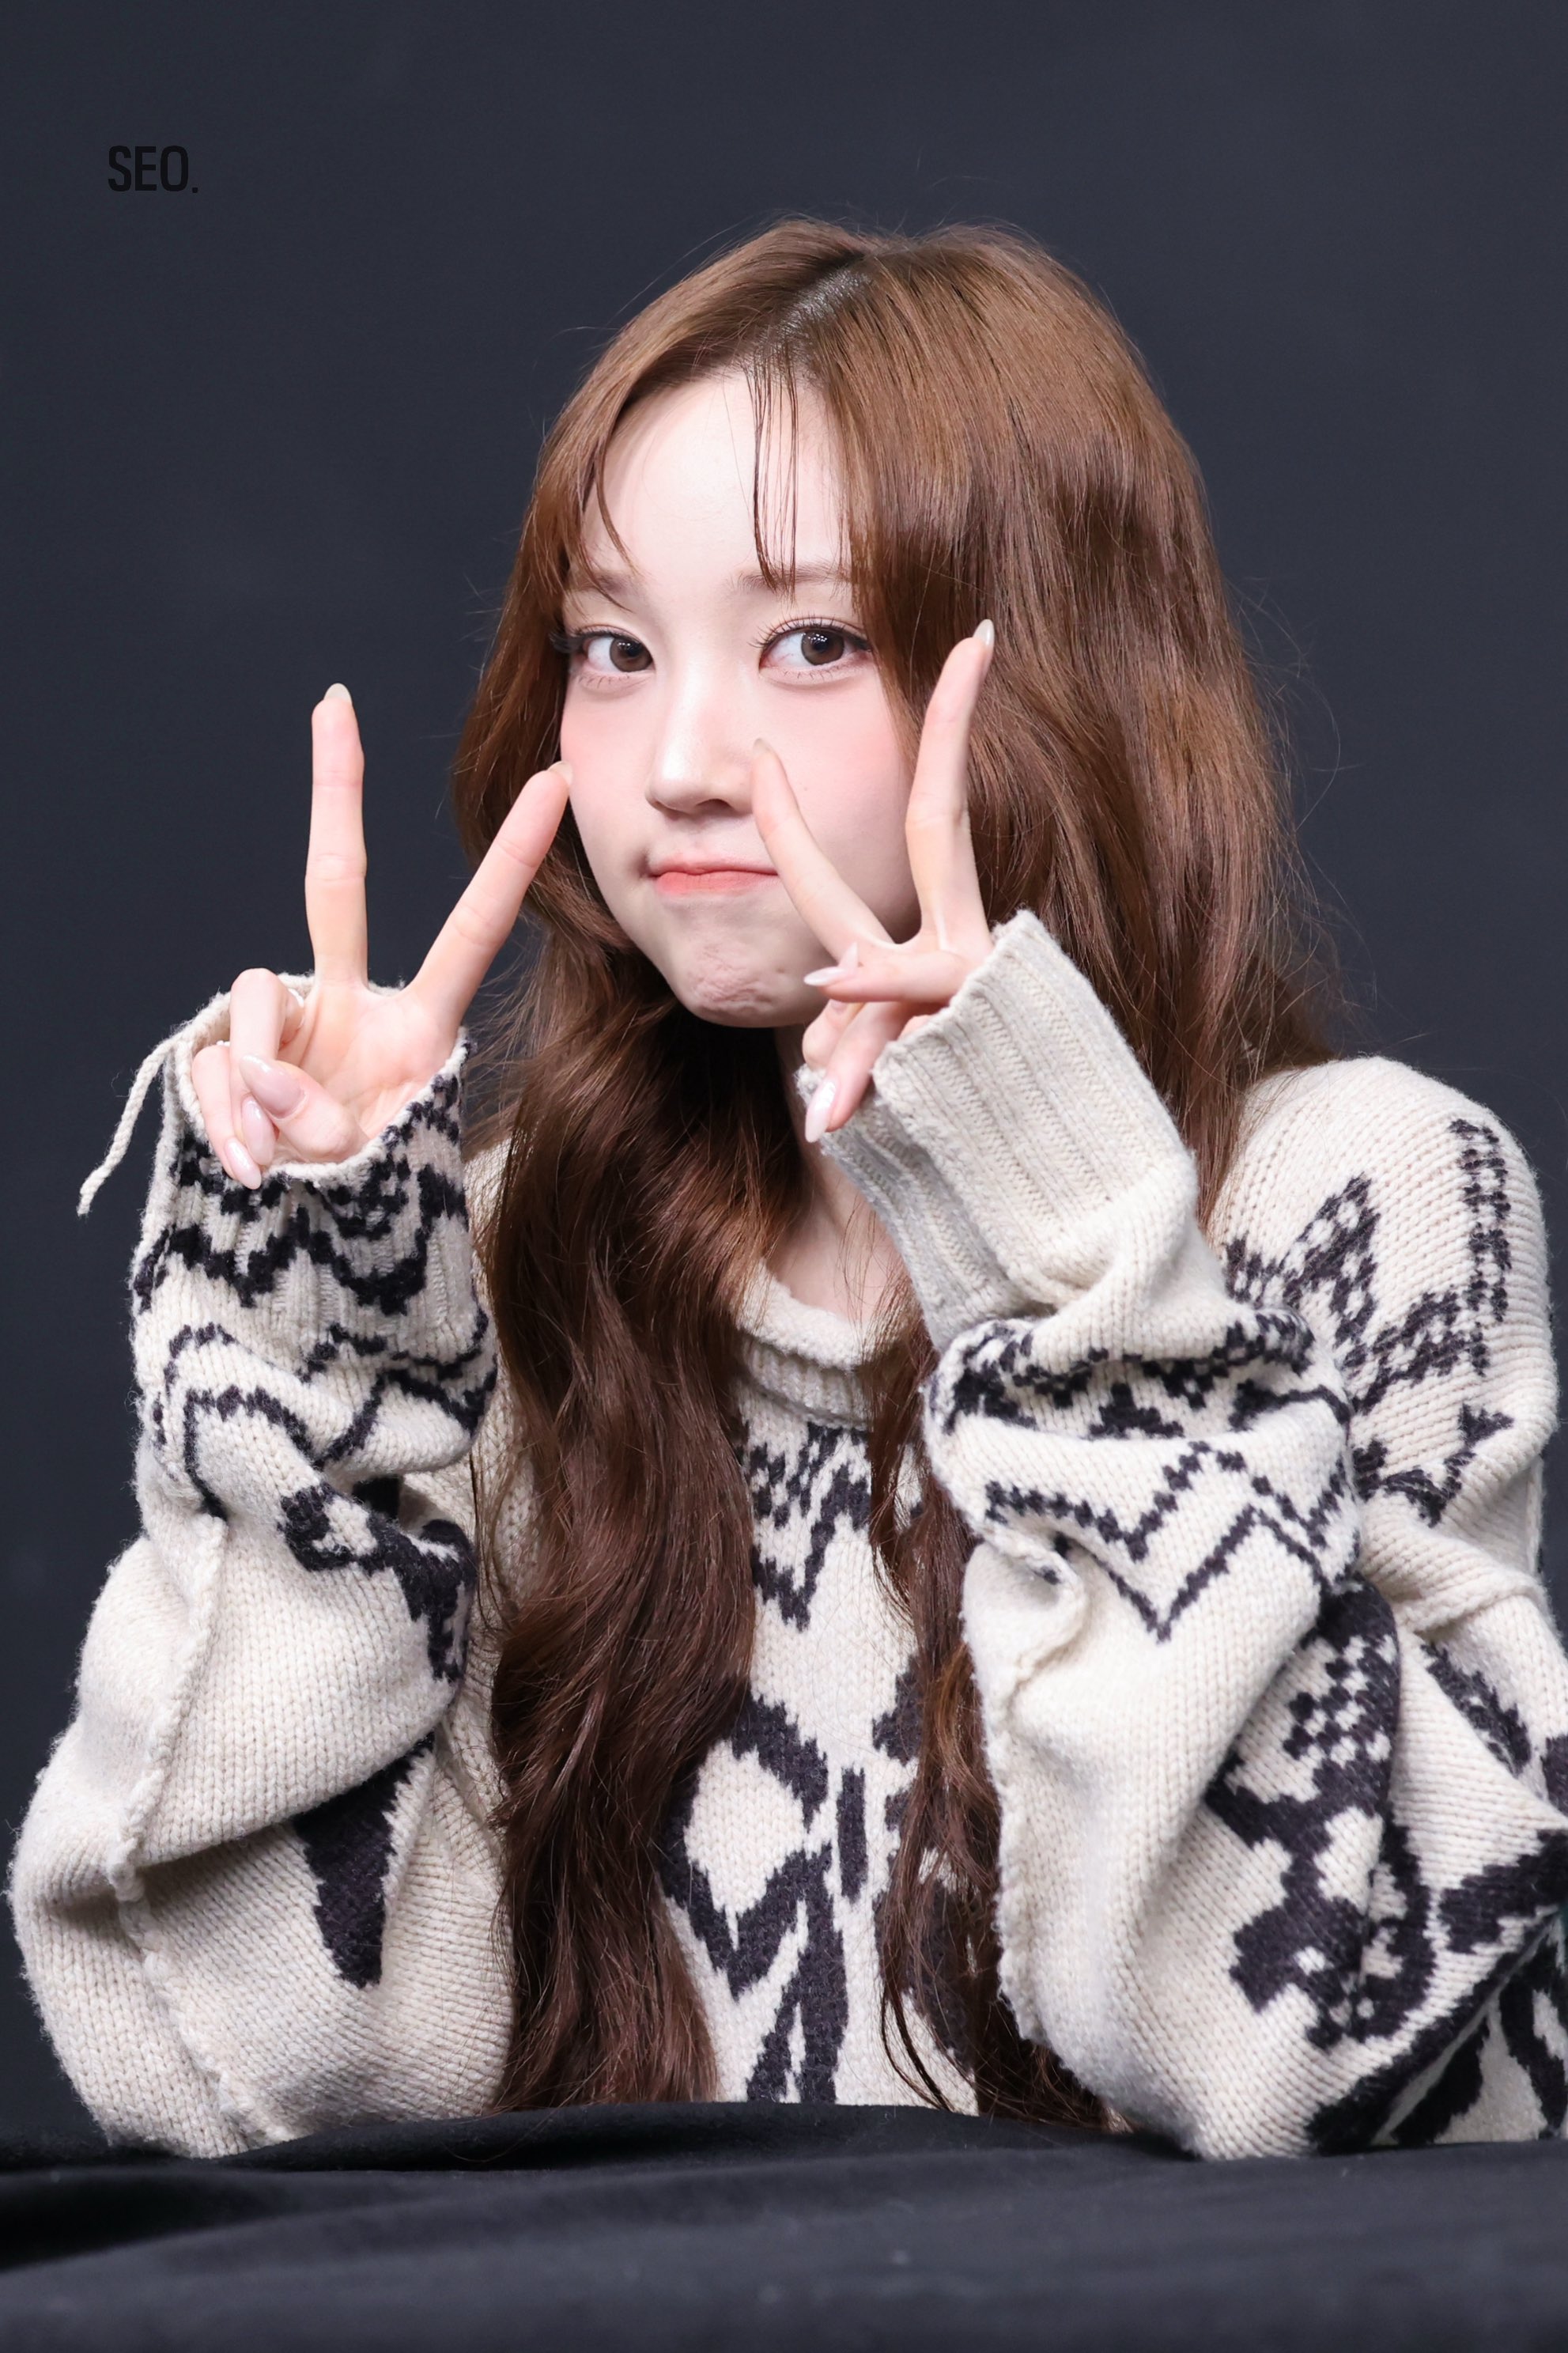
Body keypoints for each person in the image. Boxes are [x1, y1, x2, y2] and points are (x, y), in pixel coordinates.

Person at [13, 221, 1568, 2162]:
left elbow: (1333, 2064)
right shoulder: (503, 1253)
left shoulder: (1356, 1195)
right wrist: (313, 1334)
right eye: (611, 648)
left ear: (1056, 672)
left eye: (812, 643)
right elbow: (264, 2091)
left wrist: (1064, 1235)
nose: (678, 763)